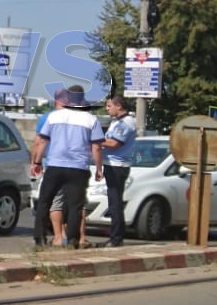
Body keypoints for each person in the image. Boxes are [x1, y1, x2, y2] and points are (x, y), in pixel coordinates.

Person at [31, 84, 104, 249]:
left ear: (68, 99)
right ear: (83, 99)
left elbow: (42, 141)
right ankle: (72, 240)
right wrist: (99, 169)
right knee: (75, 206)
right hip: (78, 168)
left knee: (45, 201)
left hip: (55, 165)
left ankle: (39, 239)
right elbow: (97, 147)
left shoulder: (54, 117)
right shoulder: (91, 119)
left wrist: (37, 162)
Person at [100, 94, 138, 247]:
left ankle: (116, 238)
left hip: (117, 166)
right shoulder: (116, 121)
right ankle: (115, 235)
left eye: (109, 106)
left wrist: (94, 140)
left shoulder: (126, 123)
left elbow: (114, 143)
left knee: (115, 203)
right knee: (113, 201)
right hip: (111, 165)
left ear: (119, 106)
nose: (107, 109)